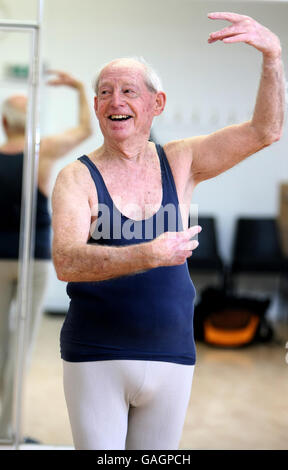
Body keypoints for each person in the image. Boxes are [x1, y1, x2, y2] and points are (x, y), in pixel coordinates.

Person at [52, 12, 285, 450]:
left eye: (127, 91)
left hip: (172, 352)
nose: (114, 100)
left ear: (156, 104)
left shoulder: (181, 161)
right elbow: (67, 260)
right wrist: (149, 254)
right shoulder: (76, 178)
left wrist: (273, 57)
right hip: (96, 352)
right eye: (104, 92)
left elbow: (265, 131)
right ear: (96, 106)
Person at [0, 70, 92, 439]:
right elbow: (85, 129)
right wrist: (80, 88)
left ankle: (5, 428)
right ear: (31, 122)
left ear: (4, 122)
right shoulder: (44, 151)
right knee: (20, 347)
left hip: (3, 259)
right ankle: (8, 430)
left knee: (4, 346)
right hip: (32, 259)